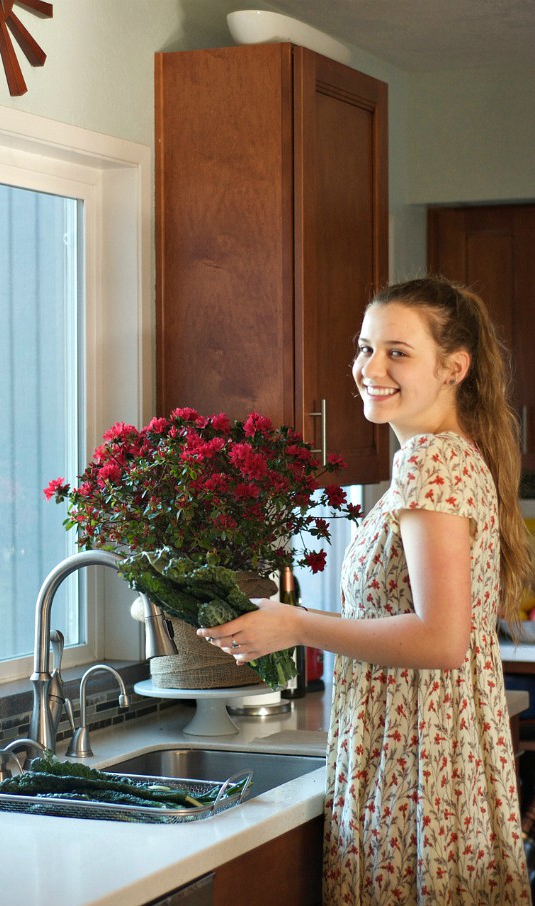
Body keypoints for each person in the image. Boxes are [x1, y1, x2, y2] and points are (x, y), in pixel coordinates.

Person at [198, 276, 534, 904]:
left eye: (397, 352)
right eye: (364, 348)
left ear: (453, 368)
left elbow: (440, 639)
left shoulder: (430, 462)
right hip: (427, 759)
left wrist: (296, 624)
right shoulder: (452, 456)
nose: (370, 368)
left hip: (417, 773)